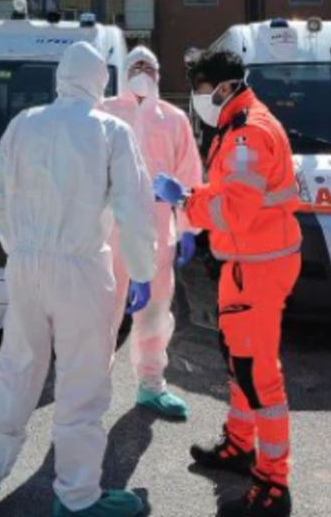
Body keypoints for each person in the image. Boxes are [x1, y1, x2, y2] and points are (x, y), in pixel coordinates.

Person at [0, 42, 159, 517]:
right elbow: (134, 212)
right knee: (82, 383)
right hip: (81, 271)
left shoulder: (23, 124)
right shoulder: (110, 130)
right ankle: (75, 497)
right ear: (100, 81)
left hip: (26, 268)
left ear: (60, 78)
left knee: (15, 369)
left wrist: (21, 248)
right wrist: (143, 273)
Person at [153, 48, 301, 517]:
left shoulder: (247, 135)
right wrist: (196, 196)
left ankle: (274, 483)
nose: (197, 99)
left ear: (222, 87)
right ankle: (240, 446)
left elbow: (233, 210)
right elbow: (231, 196)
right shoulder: (237, 124)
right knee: (239, 361)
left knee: (259, 375)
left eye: (198, 90)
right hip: (247, 260)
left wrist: (186, 204)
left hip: (258, 263)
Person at [101, 46, 203, 420]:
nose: (143, 71)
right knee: (102, 314)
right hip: (109, 233)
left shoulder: (173, 119)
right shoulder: (104, 111)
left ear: (159, 74)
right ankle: (91, 392)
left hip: (159, 233)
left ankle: (151, 384)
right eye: (136, 66)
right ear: (125, 71)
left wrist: (189, 226)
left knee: (157, 312)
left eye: (149, 67)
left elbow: (190, 174)